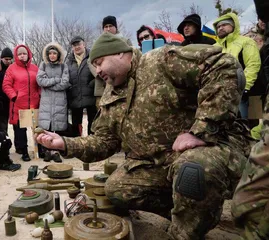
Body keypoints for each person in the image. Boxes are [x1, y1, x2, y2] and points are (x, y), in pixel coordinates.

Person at [36, 33, 252, 239]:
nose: (98, 70)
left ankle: (186, 233)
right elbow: (104, 142)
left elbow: (224, 66)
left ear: (120, 53)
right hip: (159, 163)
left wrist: (203, 129)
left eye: (100, 62)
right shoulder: (110, 94)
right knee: (117, 188)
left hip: (207, 150)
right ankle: (188, 212)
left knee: (193, 169)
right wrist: (64, 143)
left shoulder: (161, 61)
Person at [213, 13, 261, 120]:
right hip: (223, 96)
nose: (220, 28)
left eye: (224, 25)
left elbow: (253, 65)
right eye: (218, 27)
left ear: (233, 25)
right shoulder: (214, 48)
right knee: (230, 129)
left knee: (254, 128)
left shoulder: (247, 41)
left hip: (250, 94)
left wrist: (244, 88)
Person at [3, 45, 40, 162]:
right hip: (19, 104)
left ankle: (39, 149)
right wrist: (14, 96)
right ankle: (24, 151)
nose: (22, 56)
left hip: (34, 103)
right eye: (19, 54)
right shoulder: (11, 68)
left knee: (37, 128)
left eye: (24, 53)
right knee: (20, 130)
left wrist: (40, 95)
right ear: (16, 56)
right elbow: (6, 85)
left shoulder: (35, 68)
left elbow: (40, 83)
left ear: (28, 54)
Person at [36, 42, 70, 162]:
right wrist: (56, 80)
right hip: (46, 102)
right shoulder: (43, 65)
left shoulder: (63, 66)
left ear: (58, 54)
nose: (52, 55)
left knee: (57, 128)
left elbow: (65, 83)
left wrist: (49, 85)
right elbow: (40, 81)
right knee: (47, 127)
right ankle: (47, 151)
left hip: (60, 101)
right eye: (50, 53)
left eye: (54, 53)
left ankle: (55, 152)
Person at [66, 36, 97, 137]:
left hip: (91, 95)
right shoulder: (69, 62)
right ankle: (77, 146)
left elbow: (99, 74)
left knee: (92, 123)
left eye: (78, 44)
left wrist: (91, 84)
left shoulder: (93, 57)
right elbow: (66, 78)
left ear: (84, 44)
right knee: (76, 124)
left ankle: (91, 145)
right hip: (75, 96)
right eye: (74, 45)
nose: (77, 47)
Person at [0, 47, 13, 134]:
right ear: (1, 58)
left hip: (10, 100)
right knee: (1, 125)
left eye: (10, 59)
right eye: (6, 59)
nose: (8, 61)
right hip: (0, 101)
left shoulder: (13, 69)